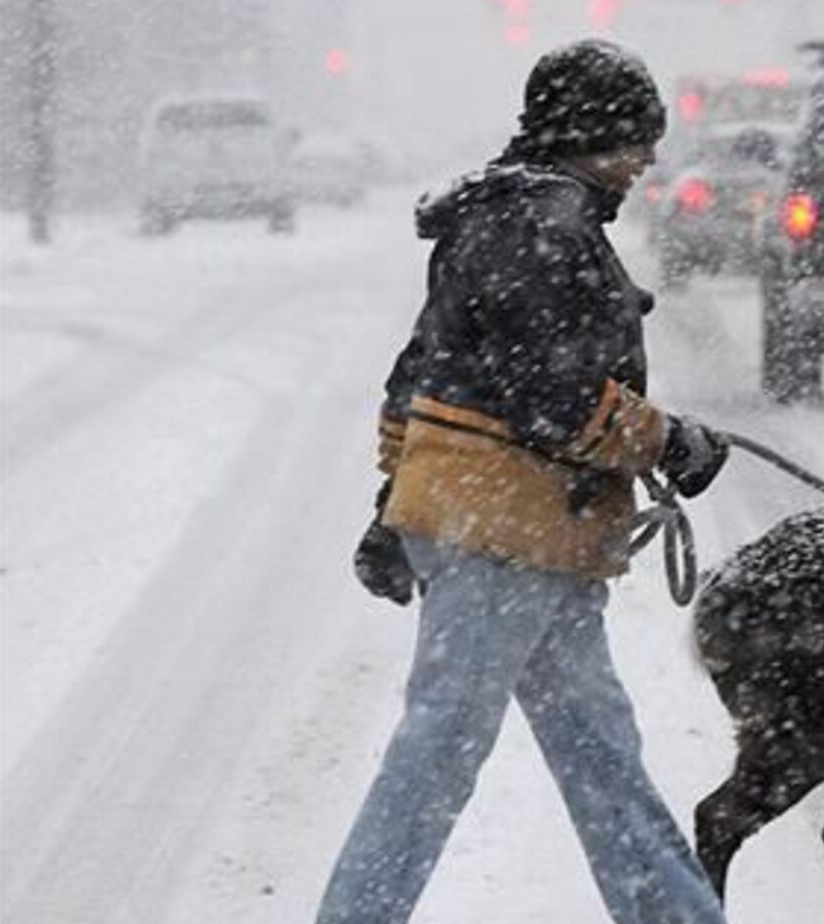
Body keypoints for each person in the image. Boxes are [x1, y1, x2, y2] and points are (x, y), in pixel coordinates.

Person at [322, 39, 729, 924]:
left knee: (600, 758)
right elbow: (553, 399)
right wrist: (668, 442)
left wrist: (395, 503)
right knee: (440, 755)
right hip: (503, 533)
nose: (646, 158)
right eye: (636, 138)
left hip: (525, 535)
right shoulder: (542, 227)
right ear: (589, 132)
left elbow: (419, 372)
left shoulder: (503, 214)